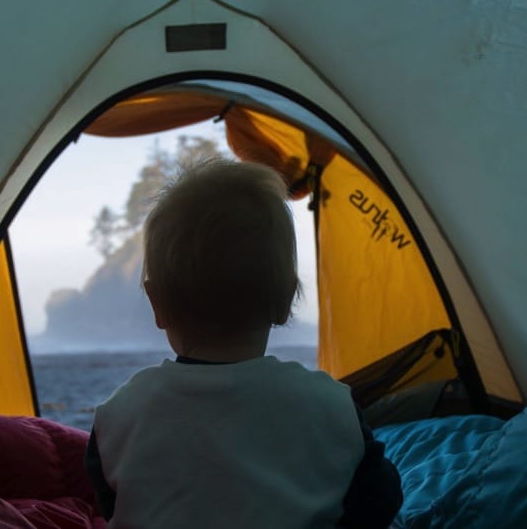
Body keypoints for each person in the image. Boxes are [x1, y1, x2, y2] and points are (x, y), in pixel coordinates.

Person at [85, 159, 402, 528]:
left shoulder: (119, 414)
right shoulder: (331, 404)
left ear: (157, 304)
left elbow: (111, 504)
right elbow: (381, 499)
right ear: (285, 303)